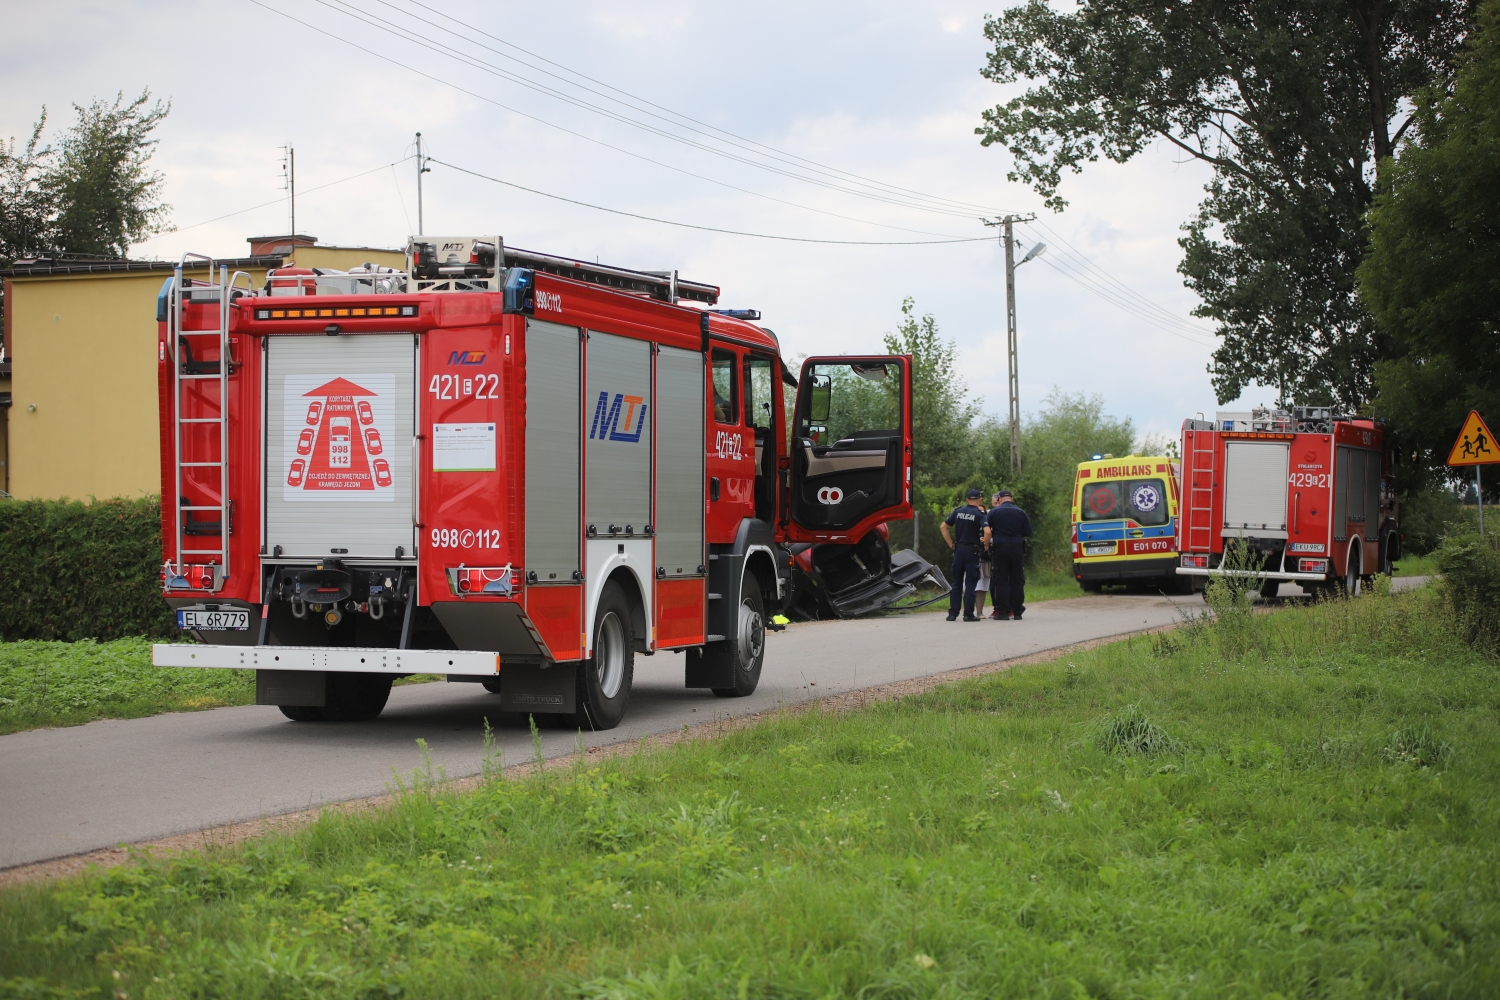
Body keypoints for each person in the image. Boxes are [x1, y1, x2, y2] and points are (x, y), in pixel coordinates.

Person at [984, 489, 1033, 620]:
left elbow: (986, 529)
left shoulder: (994, 512)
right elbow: (1027, 531)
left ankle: (1003, 611)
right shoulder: (1021, 512)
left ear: (999, 499)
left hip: (1000, 548)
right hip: (1017, 549)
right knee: (1017, 579)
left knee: (1001, 579)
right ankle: (1017, 611)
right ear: (1012, 498)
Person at [941, 489, 987, 622]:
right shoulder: (979, 514)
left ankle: (953, 613)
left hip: (959, 551)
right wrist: (986, 546)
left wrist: (951, 543)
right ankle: (968, 614)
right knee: (971, 582)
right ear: (980, 499)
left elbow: (943, 526)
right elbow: (987, 531)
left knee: (956, 582)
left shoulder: (958, 511)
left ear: (967, 499)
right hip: (972, 551)